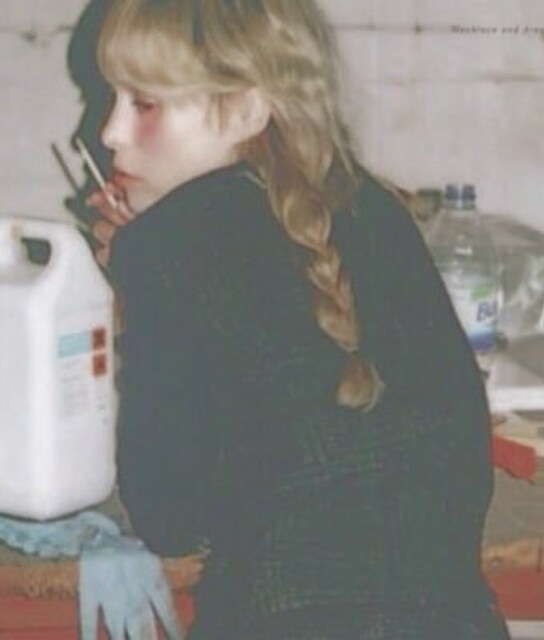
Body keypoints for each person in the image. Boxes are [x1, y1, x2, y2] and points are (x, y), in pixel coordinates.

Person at [87, 0, 510, 637]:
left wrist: (139, 286)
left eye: (144, 104)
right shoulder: (380, 210)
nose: (111, 131)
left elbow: (167, 519)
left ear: (248, 109)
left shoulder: (169, 243)